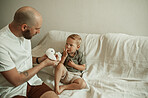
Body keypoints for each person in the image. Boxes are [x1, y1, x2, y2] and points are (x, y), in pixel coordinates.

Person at [0, 6, 59, 98]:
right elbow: (16, 80)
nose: (38, 32)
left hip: (32, 81)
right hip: (12, 90)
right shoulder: (2, 44)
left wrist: (40, 60)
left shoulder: (25, 34)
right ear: (24, 27)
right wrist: (43, 65)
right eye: (36, 29)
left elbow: (22, 59)